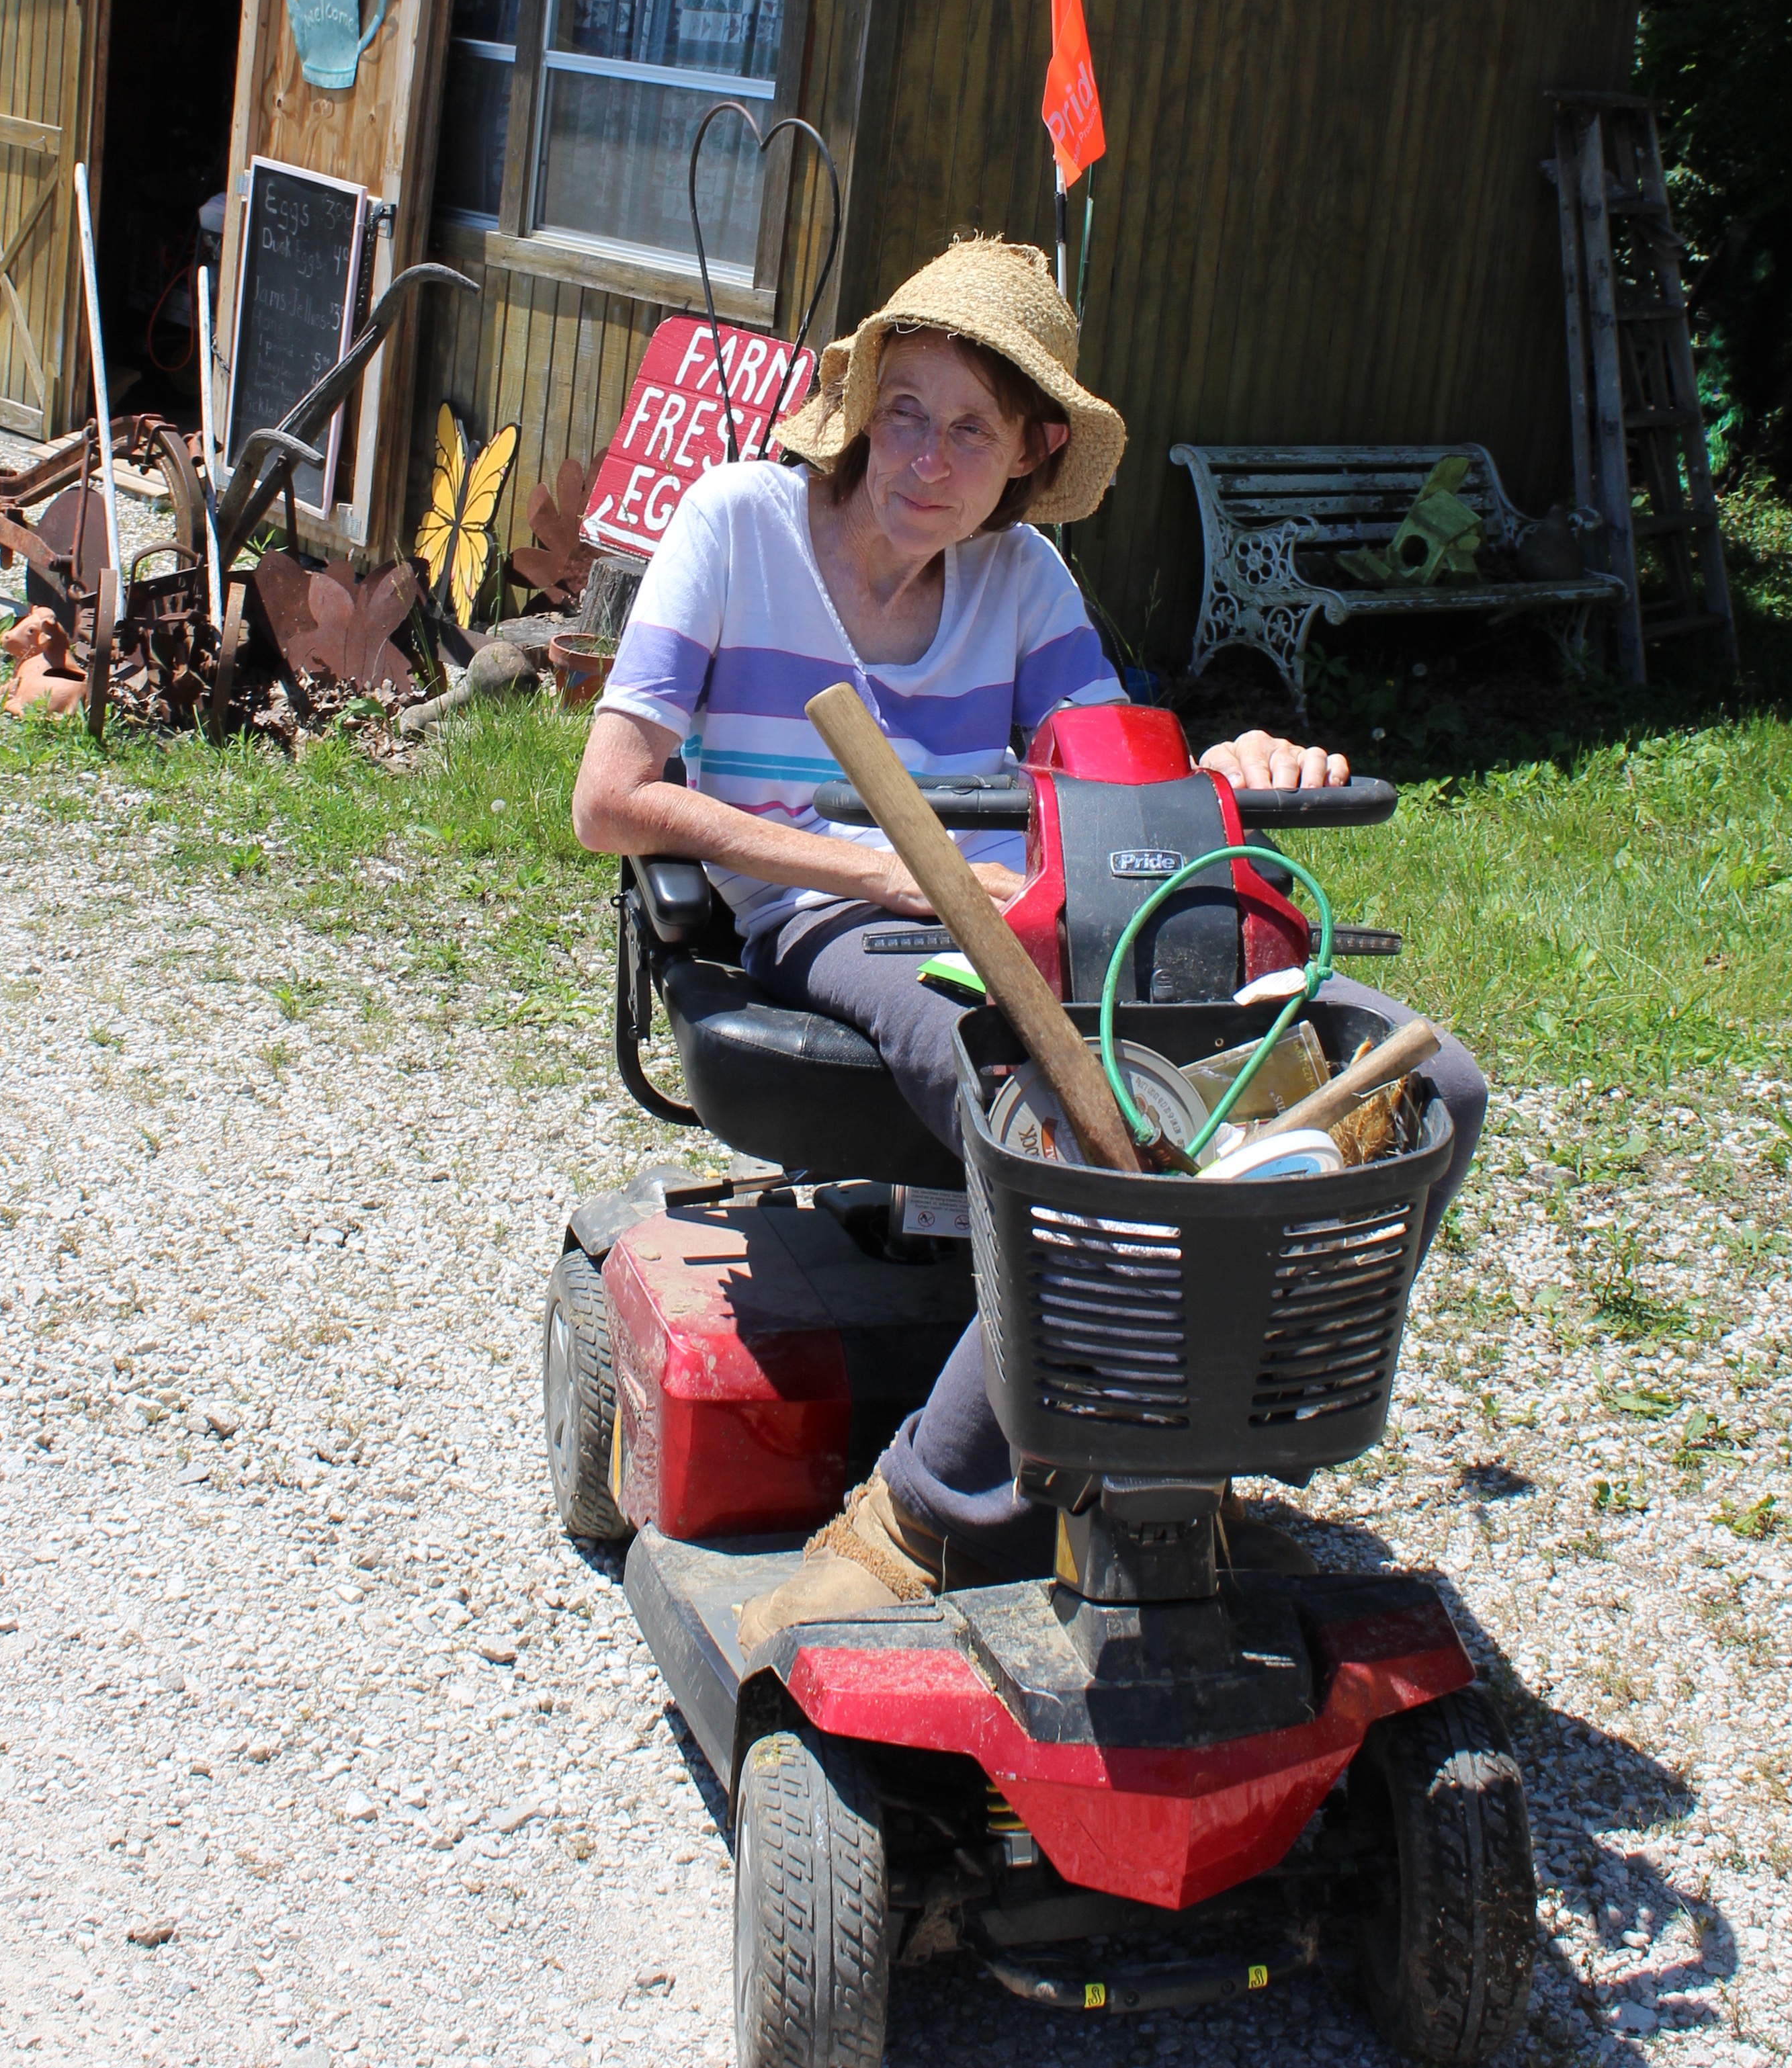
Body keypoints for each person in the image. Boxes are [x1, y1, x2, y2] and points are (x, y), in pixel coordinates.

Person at [571, 236, 1485, 1641]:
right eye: (905, 412)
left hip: (1030, 919)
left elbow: (1119, 783)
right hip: (833, 915)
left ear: (1032, 453)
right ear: (864, 408)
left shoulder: (1024, 580)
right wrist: (895, 881)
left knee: (1426, 1087)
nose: (923, 458)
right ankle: (924, 1510)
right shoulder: (739, 525)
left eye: (971, 431)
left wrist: (1228, 764)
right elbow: (611, 801)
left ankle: (1204, 1414)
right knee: (1076, 1124)